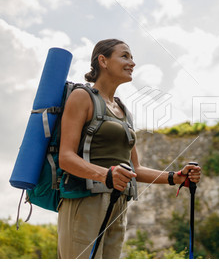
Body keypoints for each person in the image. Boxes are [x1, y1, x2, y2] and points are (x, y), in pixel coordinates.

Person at [57, 38, 201, 259]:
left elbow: (136, 169)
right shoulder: (82, 97)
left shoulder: (123, 109)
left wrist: (176, 177)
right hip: (84, 201)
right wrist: (107, 175)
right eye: (124, 56)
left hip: (118, 202)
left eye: (132, 57)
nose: (132, 62)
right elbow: (65, 158)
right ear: (103, 61)